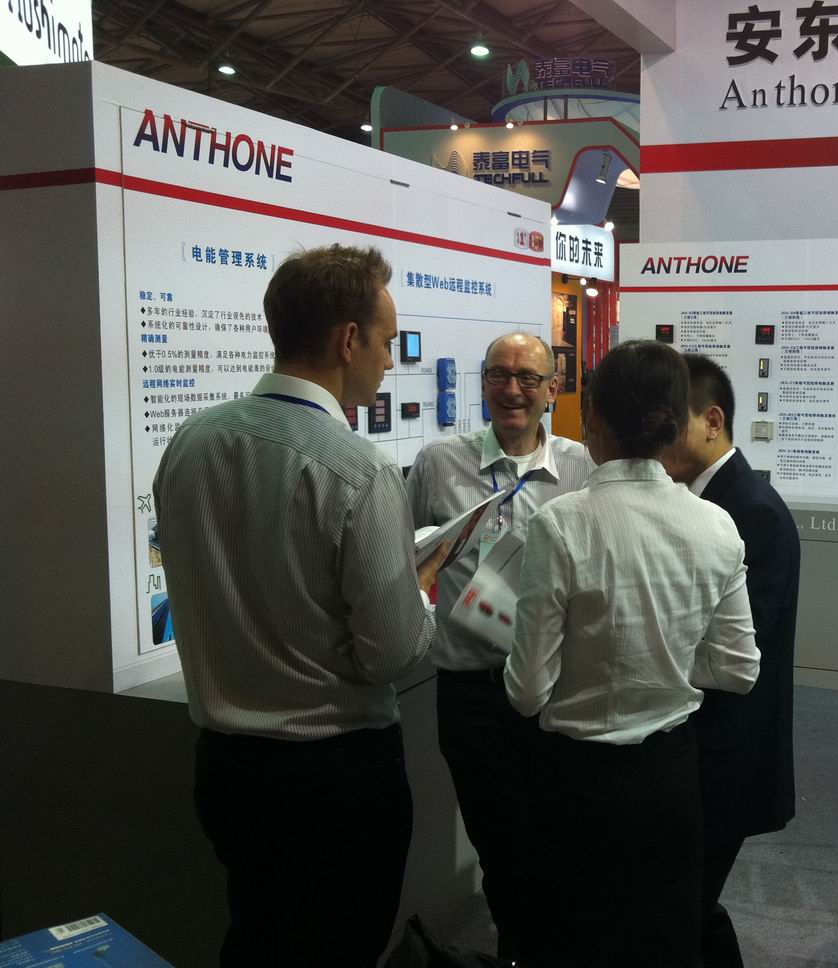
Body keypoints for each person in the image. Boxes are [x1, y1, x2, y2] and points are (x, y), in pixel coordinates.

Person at [153, 244, 447, 967]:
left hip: (226, 769)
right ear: (348, 339)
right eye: (385, 342)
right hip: (333, 781)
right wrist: (420, 587)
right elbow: (393, 652)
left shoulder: (190, 444)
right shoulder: (358, 469)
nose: (389, 361)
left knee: (258, 937)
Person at [504, 340, 762, 968]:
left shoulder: (561, 524)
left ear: (592, 417)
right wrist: (663, 659)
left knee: (569, 941)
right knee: (664, 939)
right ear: (674, 423)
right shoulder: (716, 524)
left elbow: (527, 691)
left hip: (577, 783)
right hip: (672, 779)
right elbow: (739, 668)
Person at [404, 332, 593, 963]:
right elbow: (407, 558)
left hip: (553, 690)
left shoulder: (580, 468)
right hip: (470, 692)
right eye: (498, 375)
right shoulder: (439, 463)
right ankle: (518, 947)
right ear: (482, 382)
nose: (512, 390)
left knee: (554, 837)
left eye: (528, 378)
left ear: (553, 389)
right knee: (497, 841)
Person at [661, 353, 801, 968]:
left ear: (712, 421)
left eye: (670, 424)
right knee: (686, 906)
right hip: (694, 747)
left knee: (682, 907)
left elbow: (743, 651)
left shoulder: (752, 511)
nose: (658, 439)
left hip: (725, 751)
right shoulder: (695, 499)